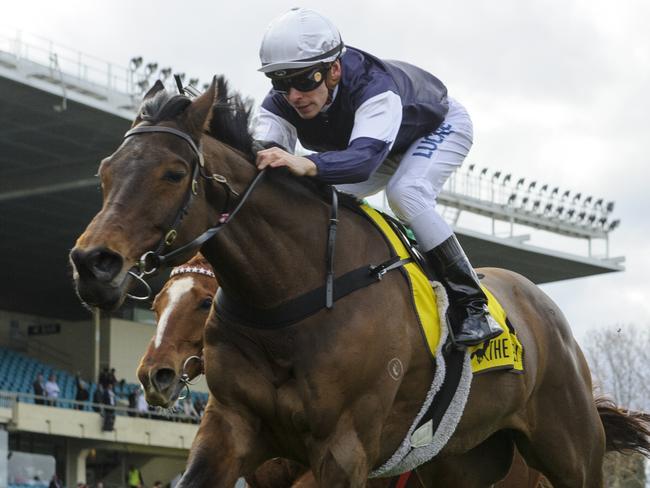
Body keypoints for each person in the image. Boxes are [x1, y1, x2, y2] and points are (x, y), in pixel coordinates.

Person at [254, 7, 501, 347]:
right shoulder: (279, 102)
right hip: (376, 145)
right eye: (281, 82)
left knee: (406, 192)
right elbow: (266, 165)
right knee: (306, 196)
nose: (294, 95)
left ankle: (473, 305)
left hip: (435, 127)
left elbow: (362, 163)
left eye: (304, 80)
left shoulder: (374, 86)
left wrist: (307, 163)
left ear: (334, 70)